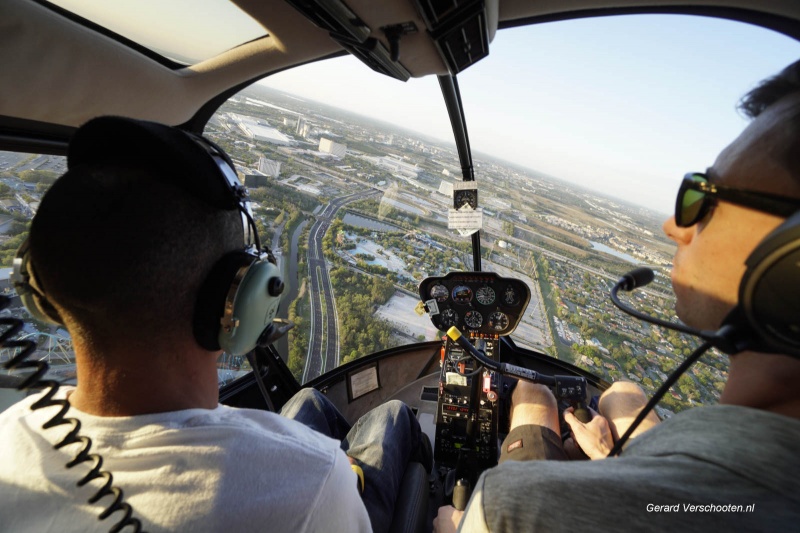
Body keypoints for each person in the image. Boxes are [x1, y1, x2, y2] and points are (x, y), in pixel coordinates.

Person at [0, 116, 429, 533]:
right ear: (240, 297)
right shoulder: (313, 484)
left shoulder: (11, 437)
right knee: (392, 416)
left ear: (39, 290)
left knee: (310, 403)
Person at [435, 60, 800, 532]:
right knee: (623, 394)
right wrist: (611, 459)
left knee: (532, 394)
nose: (674, 225)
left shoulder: (512, 511)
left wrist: (459, 524)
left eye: (702, 198)